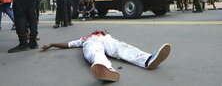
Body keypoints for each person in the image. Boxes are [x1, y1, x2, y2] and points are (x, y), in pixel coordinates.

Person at [40, 30, 171, 82]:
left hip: (108, 42)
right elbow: (68, 44)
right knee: (95, 53)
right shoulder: (85, 38)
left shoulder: (107, 36)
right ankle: (106, 70)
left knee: (122, 47)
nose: (100, 31)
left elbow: (117, 46)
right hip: (92, 44)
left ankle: (148, 60)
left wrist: (107, 35)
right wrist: (52, 44)